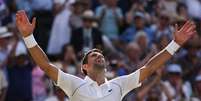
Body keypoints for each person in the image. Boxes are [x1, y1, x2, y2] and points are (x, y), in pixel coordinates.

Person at [15, 10, 196, 101]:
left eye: (100, 54)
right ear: (84, 67)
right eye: (93, 55)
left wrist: (175, 44)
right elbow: (46, 66)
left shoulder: (119, 84)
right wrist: (28, 37)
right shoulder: (74, 84)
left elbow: (149, 68)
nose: (99, 55)